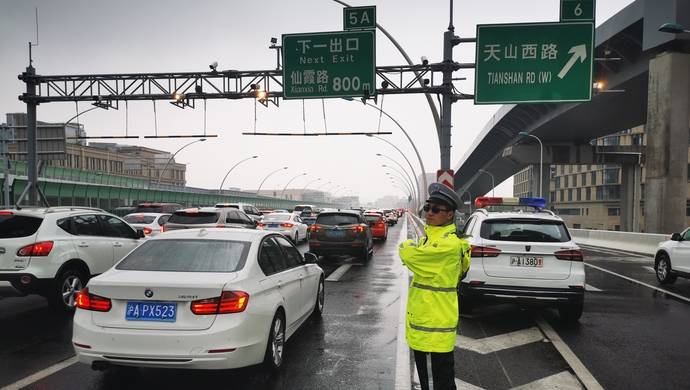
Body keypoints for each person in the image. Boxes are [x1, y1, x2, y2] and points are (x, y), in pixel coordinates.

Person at [399, 183, 471, 390]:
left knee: (434, 383)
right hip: (428, 321)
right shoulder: (435, 239)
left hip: (433, 325)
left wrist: (407, 245)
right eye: (427, 208)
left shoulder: (446, 245)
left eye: (436, 210)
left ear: (449, 215)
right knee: (434, 380)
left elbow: (408, 255)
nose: (429, 213)